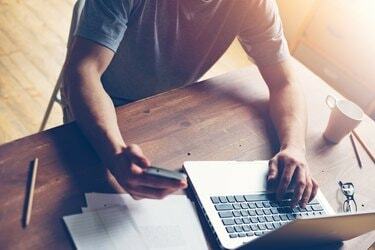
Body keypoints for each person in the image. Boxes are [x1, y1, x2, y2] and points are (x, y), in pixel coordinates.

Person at [62, 0, 318, 208]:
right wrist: (114, 153)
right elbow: (84, 72)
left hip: (167, 107)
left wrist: (294, 147)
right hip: (102, 105)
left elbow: (284, 82)